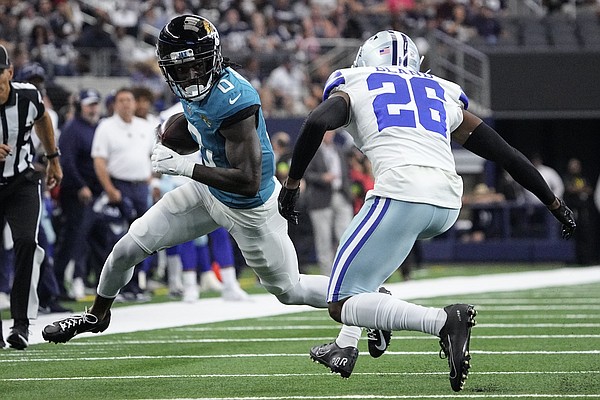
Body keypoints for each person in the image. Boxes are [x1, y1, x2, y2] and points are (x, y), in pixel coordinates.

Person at [42, 16, 383, 360]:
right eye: (179, 69)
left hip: (250, 208)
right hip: (209, 193)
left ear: (213, 58)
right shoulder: (193, 89)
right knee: (129, 246)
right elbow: (198, 128)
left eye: (195, 66)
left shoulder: (234, 99)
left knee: (289, 290)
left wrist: (184, 166)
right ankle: (97, 314)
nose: (188, 77)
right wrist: (168, 136)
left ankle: (367, 299)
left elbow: (248, 181)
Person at [277, 30, 577, 391]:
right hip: (447, 202)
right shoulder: (441, 90)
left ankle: (441, 321)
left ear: (368, 58)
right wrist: (555, 204)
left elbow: (314, 122)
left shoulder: (355, 80)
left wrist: (292, 185)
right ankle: (346, 346)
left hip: (402, 193)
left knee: (341, 301)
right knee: (365, 277)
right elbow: (507, 155)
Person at [0, 44, 63, 350]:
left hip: (21, 181)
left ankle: (21, 325)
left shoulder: (27, 96)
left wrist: (53, 157)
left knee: (27, 242)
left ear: (9, 73)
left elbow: (43, 119)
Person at [91, 87, 155, 302]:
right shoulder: (106, 127)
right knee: (118, 240)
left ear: (135, 103)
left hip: (140, 187)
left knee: (142, 238)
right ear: (115, 104)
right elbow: (99, 161)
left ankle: (136, 285)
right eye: (121, 100)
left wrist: (150, 179)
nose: (126, 104)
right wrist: (110, 189)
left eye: (129, 100)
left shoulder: (145, 126)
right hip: (119, 186)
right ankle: (115, 289)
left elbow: (152, 155)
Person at [54, 88, 104, 300]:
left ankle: (89, 281)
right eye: (89, 105)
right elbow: (67, 162)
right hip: (77, 193)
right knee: (73, 240)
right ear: (80, 106)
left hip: (96, 192)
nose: (93, 109)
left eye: (95, 104)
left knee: (96, 239)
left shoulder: (97, 128)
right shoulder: (72, 129)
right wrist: (79, 185)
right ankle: (60, 285)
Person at [303, 129, 354, 275]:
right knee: (323, 239)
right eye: (326, 133)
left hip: (340, 195)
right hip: (321, 198)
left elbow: (346, 173)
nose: (329, 135)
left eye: (331, 132)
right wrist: (322, 178)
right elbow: (306, 174)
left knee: (345, 235)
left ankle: (345, 271)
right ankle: (328, 274)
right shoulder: (312, 151)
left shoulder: (338, 150)